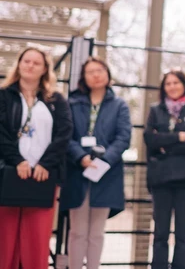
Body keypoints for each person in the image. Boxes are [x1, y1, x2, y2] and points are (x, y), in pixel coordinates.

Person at [0, 48, 73, 269]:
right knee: (5, 238)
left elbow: (65, 133)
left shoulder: (56, 100)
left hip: (43, 176)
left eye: (36, 63)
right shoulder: (4, 95)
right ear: (19, 64)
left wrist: (45, 163)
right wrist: (17, 161)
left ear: (44, 69)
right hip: (8, 173)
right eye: (26, 61)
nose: (30, 65)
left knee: (37, 239)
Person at [59, 56, 132, 269]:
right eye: (90, 71)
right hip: (77, 171)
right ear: (84, 77)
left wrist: (104, 160)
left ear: (107, 74)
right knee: (77, 231)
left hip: (106, 174)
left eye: (100, 70)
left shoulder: (119, 105)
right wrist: (80, 157)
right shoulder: (72, 103)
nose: (96, 75)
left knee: (96, 232)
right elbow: (65, 135)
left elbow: (123, 137)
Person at [144, 69, 185, 269]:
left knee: (183, 234)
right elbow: (149, 139)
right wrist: (178, 137)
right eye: (168, 83)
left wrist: (165, 144)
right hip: (160, 179)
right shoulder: (156, 110)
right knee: (160, 233)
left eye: (176, 82)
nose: (172, 87)